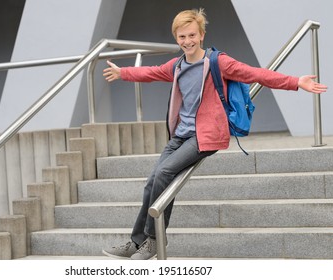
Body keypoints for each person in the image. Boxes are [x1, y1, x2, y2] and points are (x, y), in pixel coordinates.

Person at [101, 8, 328, 260]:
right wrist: (123, 73)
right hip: (180, 135)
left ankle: (154, 240)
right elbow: (151, 72)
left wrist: (296, 82)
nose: (187, 41)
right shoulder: (177, 65)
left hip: (206, 135)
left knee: (165, 173)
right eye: (181, 37)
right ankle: (136, 241)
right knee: (152, 182)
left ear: (201, 35)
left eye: (191, 35)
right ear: (176, 38)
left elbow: (256, 74)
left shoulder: (218, 62)